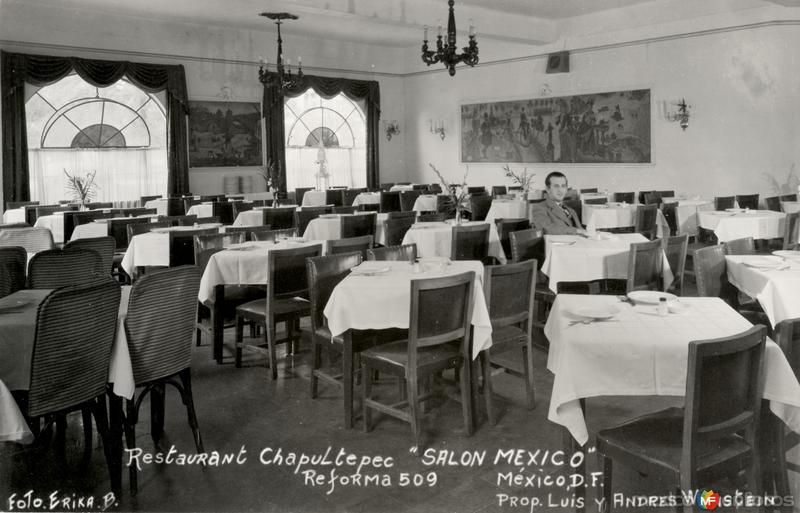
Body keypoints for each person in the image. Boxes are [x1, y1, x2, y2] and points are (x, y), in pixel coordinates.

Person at [530, 171, 587, 236]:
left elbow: (582, 231)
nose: (560, 190)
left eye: (563, 186)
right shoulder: (540, 208)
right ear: (548, 189)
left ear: (566, 189)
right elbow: (546, 229)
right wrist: (576, 231)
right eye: (556, 186)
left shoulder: (571, 211)